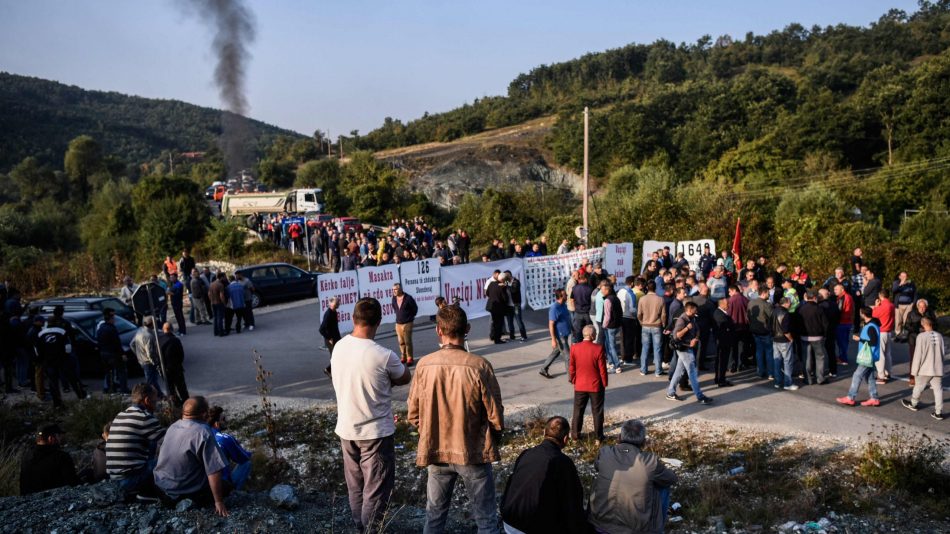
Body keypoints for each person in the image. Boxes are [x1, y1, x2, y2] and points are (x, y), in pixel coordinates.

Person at [407, 304, 504, 534]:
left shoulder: (424, 365)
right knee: (486, 519)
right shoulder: (479, 366)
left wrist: (430, 431)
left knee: (434, 517)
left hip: (436, 450)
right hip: (472, 451)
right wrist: (491, 437)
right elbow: (496, 416)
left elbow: (413, 414)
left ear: (438, 330)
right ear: (467, 328)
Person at [332, 298, 411, 533]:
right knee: (376, 490)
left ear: (354, 319)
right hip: (375, 433)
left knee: (356, 487)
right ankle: (372, 530)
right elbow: (405, 377)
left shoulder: (339, 346)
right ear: (378, 322)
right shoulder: (383, 355)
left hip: (346, 429)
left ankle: (360, 527)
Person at [500, 416, 591, 534]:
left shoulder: (526, 453)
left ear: (544, 432)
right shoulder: (563, 463)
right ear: (565, 439)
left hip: (509, 520)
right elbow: (572, 504)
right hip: (531, 526)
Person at [588, 420, 677, 534]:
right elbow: (671, 479)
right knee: (662, 486)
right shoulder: (649, 461)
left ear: (619, 437)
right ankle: (657, 530)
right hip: (636, 529)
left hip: (599, 523)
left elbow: (597, 466)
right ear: (644, 442)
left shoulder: (605, 452)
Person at [153, 397, 231, 516]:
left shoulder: (173, 427)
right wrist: (218, 501)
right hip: (181, 493)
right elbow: (214, 470)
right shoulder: (203, 432)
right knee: (228, 486)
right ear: (205, 414)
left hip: (161, 487)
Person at [107, 384, 165, 500]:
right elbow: (172, 443)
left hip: (115, 479)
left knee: (152, 442)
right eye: (156, 399)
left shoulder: (120, 415)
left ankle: (144, 489)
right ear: (147, 400)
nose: (157, 402)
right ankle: (147, 491)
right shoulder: (145, 417)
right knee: (170, 460)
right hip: (130, 480)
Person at [35, 307, 86, 406]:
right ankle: (81, 396)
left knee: (53, 382)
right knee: (73, 378)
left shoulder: (40, 334)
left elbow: (37, 350)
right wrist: (67, 357)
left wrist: (43, 359)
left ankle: (57, 403)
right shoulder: (62, 332)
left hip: (49, 362)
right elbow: (68, 347)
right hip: (63, 360)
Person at [665, 301, 713, 404]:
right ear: (689, 310)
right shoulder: (682, 320)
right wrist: (687, 329)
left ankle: (670, 392)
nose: (697, 311)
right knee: (692, 372)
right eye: (695, 310)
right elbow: (676, 335)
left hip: (688, 347)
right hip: (684, 349)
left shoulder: (692, 318)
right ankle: (700, 397)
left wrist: (695, 338)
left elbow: (697, 329)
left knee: (679, 371)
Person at [569, 325, 608, 441]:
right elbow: (602, 369)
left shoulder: (575, 348)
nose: (596, 335)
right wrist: (604, 383)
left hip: (580, 385)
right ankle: (598, 437)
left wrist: (573, 379)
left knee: (578, 411)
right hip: (595, 385)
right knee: (597, 411)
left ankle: (575, 436)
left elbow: (572, 367)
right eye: (595, 333)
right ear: (592, 336)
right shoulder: (598, 348)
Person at [836, 307, 881, 407]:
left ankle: (850, 397)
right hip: (871, 356)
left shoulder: (870, 326)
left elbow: (873, 342)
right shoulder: (872, 325)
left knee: (857, 375)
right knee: (870, 377)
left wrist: (859, 339)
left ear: (863, 314)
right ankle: (874, 398)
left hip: (867, 356)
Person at [901, 317, 944, 420]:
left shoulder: (921, 336)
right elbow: (942, 352)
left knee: (919, 387)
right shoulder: (939, 335)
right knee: (938, 390)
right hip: (937, 368)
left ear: (923, 325)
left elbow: (918, 355)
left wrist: (914, 371)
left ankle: (913, 404)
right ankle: (938, 412)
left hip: (925, 368)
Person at [19, 424, 80, 495]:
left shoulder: (26, 456)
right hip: (55, 497)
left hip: (29, 499)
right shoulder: (61, 457)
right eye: (58, 436)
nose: (60, 439)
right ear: (51, 438)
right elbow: (72, 482)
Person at [207, 406, 253, 490]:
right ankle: (235, 494)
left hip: (204, 485)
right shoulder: (223, 438)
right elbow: (243, 458)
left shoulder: (201, 436)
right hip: (221, 486)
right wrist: (252, 453)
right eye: (223, 419)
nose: (226, 421)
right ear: (216, 423)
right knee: (247, 463)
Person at [799, 290, 829, 386]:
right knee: (820, 357)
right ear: (815, 298)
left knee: (806, 358)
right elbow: (825, 324)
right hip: (818, 336)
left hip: (804, 337)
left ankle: (808, 379)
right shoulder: (819, 309)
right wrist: (825, 334)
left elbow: (797, 323)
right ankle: (820, 378)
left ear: (806, 297)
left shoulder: (801, 309)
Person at [905, 299, 937, 387]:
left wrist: (929, 327)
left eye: (924, 307)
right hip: (914, 339)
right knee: (914, 359)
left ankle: (929, 379)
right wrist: (917, 329)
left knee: (928, 360)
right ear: (917, 306)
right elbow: (907, 326)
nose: (922, 309)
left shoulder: (930, 314)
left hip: (928, 340)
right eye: (920, 307)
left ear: (926, 307)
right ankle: (912, 377)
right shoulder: (911, 313)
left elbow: (936, 324)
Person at [539, 289, 571, 379]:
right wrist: (553, 339)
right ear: (560, 296)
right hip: (560, 336)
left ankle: (543, 369)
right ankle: (571, 377)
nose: (567, 295)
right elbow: (551, 324)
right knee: (568, 357)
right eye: (565, 295)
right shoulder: (554, 308)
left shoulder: (563, 305)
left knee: (556, 352)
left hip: (565, 334)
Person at [638, 281, 666, 376]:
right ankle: (658, 370)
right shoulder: (660, 299)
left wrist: (641, 322)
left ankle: (643, 369)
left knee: (645, 348)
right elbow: (663, 315)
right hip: (657, 326)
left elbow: (639, 314)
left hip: (645, 325)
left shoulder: (642, 299)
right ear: (655, 288)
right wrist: (664, 324)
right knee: (657, 349)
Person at [132, 317, 165, 399]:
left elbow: (132, 344)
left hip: (142, 360)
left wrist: (138, 354)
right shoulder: (148, 336)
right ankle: (156, 396)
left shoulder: (140, 331)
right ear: (152, 324)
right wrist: (155, 363)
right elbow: (150, 353)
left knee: (152, 380)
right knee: (151, 381)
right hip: (148, 362)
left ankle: (158, 395)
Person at [97, 308, 128, 394]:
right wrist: (122, 354)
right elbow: (117, 343)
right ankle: (123, 390)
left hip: (104, 353)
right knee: (121, 372)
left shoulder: (101, 328)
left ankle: (110, 389)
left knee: (109, 373)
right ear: (110, 319)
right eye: (113, 318)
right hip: (113, 354)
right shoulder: (111, 329)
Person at [158, 322, 189, 406]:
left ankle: (176, 404)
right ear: (171, 329)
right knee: (181, 387)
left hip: (165, 369)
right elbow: (181, 355)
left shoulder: (159, 340)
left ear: (163, 330)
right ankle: (186, 403)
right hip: (176, 368)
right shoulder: (175, 340)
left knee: (170, 388)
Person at [747, 286, 773, 379]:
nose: (769, 295)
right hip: (765, 331)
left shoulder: (751, 302)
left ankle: (760, 371)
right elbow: (772, 317)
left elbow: (748, 316)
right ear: (764, 293)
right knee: (769, 352)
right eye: (768, 293)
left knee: (759, 351)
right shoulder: (766, 304)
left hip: (754, 330)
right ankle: (770, 372)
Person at [772, 297, 798, 391]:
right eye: (789, 303)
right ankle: (788, 383)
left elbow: (770, 325)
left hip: (775, 339)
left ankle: (778, 382)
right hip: (784, 340)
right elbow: (786, 330)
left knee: (777, 362)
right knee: (787, 362)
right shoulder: (786, 313)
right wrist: (791, 339)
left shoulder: (774, 311)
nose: (790, 304)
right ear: (786, 303)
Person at [871, 289, 895, 384]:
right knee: (887, 353)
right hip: (889, 331)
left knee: (880, 354)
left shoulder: (882, 306)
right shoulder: (892, 305)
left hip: (881, 331)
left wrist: (876, 306)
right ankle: (888, 372)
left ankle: (881, 376)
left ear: (880, 296)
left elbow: (873, 315)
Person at [392, 283, 419, 365]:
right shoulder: (393, 298)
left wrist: (410, 317)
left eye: (395, 289)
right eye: (393, 289)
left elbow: (415, 309)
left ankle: (410, 357)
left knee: (407, 341)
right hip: (398, 323)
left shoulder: (408, 298)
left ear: (400, 289)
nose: (394, 291)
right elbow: (394, 307)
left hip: (408, 323)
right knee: (401, 341)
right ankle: (403, 356)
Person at [601, 281, 623, 373]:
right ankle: (611, 363)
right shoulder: (616, 298)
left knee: (611, 346)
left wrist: (604, 325)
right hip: (617, 324)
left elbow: (607, 316)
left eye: (602, 289)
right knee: (611, 345)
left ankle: (616, 365)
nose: (601, 291)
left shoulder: (607, 300)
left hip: (610, 326)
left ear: (607, 290)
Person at [712, 298, 735, 388]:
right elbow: (726, 327)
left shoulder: (722, 313)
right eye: (727, 304)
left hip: (724, 341)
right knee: (721, 361)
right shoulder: (719, 314)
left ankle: (720, 378)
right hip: (722, 342)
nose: (728, 305)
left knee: (722, 361)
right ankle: (720, 380)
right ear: (721, 304)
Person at [618, 276, 640, 364]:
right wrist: (637, 314)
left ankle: (623, 357)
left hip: (621, 317)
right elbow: (632, 309)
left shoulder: (620, 291)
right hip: (629, 318)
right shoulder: (631, 293)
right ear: (632, 283)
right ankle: (628, 359)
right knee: (629, 339)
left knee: (623, 338)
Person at [319, 296, 343, 377]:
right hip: (330, 340)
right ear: (331, 304)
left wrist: (339, 338)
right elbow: (321, 329)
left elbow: (335, 327)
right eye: (337, 303)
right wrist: (329, 338)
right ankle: (329, 370)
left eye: (338, 302)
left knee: (338, 355)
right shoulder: (328, 314)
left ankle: (331, 370)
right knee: (335, 357)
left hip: (336, 338)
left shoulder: (334, 312)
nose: (339, 304)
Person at [833, 283, 855, 365]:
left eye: (836, 289)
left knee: (842, 342)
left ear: (842, 289)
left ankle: (843, 359)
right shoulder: (841, 297)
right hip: (844, 322)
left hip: (843, 323)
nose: (834, 291)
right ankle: (842, 357)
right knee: (842, 341)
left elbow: (846, 311)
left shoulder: (845, 297)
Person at [487, 272, 511, 345]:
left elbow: (487, 293)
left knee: (494, 322)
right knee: (498, 323)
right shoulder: (502, 287)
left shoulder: (491, 284)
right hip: (499, 308)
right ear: (503, 279)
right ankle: (497, 339)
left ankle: (493, 336)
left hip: (491, 306)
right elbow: (505, 298)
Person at [891, 272, 916, 336]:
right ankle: (897, 333)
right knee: (898, 320)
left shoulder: (911, 283)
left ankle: (905, 333)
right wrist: (901, 284)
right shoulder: (896, 283)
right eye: (902, 276)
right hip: (899, 305)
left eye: (905, 276)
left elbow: (915, 293)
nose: (904, 278)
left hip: (908, 305)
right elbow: (894, 290)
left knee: (906, 320)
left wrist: (913, 303)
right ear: (899, 277)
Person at [505, 271, 528, 342]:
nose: (505, 277)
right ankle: (512, 336)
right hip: (508, 306)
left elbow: (513, 290)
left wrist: (506, 286)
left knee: (519, 321)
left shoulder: (516, 282)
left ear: (509, 275)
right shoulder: (506, 282)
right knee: (509, 322)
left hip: (516, 305)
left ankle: (524, 336)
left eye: (506, 276)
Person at [209, 272, 229, 337]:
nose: (225, 278)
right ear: (222, 277)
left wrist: (211, 300)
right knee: (220, 318)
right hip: (219, 303)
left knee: (215, 318)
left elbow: (208, 294)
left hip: (212, 303)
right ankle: (221, 332)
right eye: (224, 277)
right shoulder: (220, 285)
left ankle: (216, 332)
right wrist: (224, 303)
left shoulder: (211, 284)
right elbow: (221, 296)